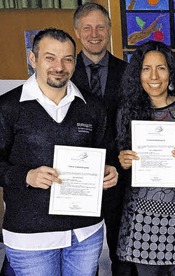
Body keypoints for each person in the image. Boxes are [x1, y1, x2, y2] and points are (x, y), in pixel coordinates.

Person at [0, 28, 118, 275]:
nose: (59, 66)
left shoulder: (92, 107)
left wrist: (109, 171)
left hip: (84, 233)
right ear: (33, 59)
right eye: (50, 57)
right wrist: (26, 176)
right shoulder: (8, 107)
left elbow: (106, 152)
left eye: (67, 58)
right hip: (31, 237)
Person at [116, 41, 175, 275]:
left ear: (170, 72)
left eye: (161, 68)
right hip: (141, 213)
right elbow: (118, 156)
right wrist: (122, 161)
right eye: (146, 68)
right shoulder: (127, 110)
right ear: (138, 74)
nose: (154, 76)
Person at [69, 3, 131, 274]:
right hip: (75, 171)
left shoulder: (128, 72)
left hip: (120, 170)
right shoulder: (64, 73)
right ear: (77, 32)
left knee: (121, 244)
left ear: (109, 30)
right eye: (87, 28)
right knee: (80, 249)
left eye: (100, 27)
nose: (94, 34)